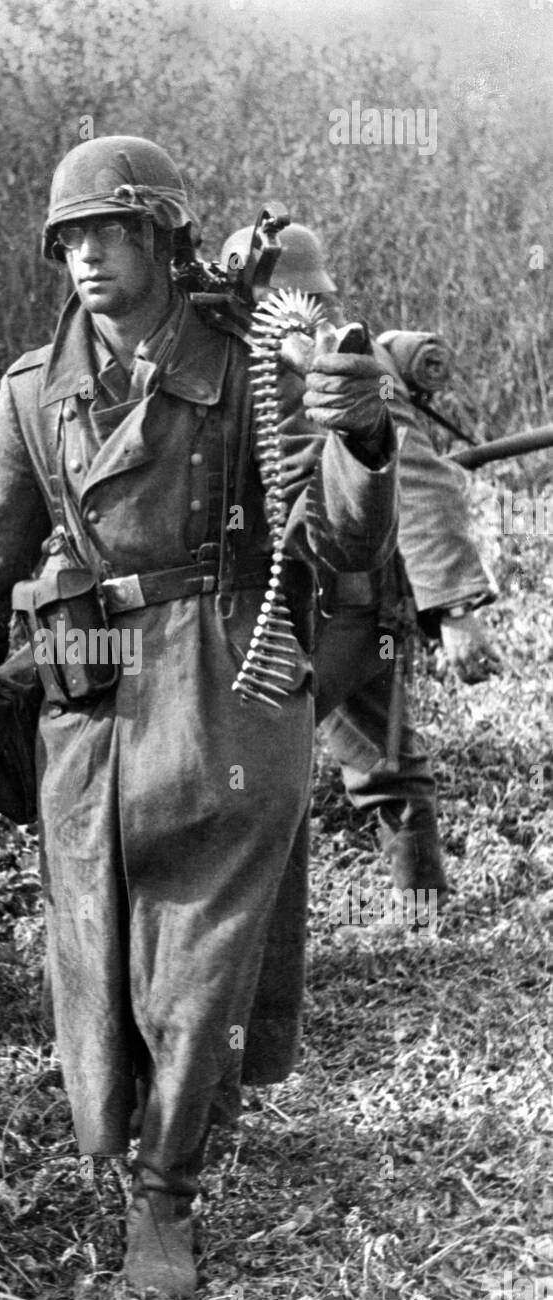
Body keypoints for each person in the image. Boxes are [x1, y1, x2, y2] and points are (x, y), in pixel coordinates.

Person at [0, 137, 398, 1298]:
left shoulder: (250, 365)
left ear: (164, 240)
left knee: (199, 954)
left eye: (106, 233)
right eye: (66, 239)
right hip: (87, 682)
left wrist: (365, 440)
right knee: (100, 953)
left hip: (231, 670)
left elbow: (338, 540)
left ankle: (162, 1197)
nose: (82, 258)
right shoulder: (34, 390)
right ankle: (142, 1128)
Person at [220, 223, 500, 908]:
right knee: (380, 753)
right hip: (294, 594)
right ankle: (422, 901)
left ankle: (406, 909)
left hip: (343, 600)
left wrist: (455, 607)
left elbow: (420, 482)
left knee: (254, 747)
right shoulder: (225, 360)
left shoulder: (344, 361)